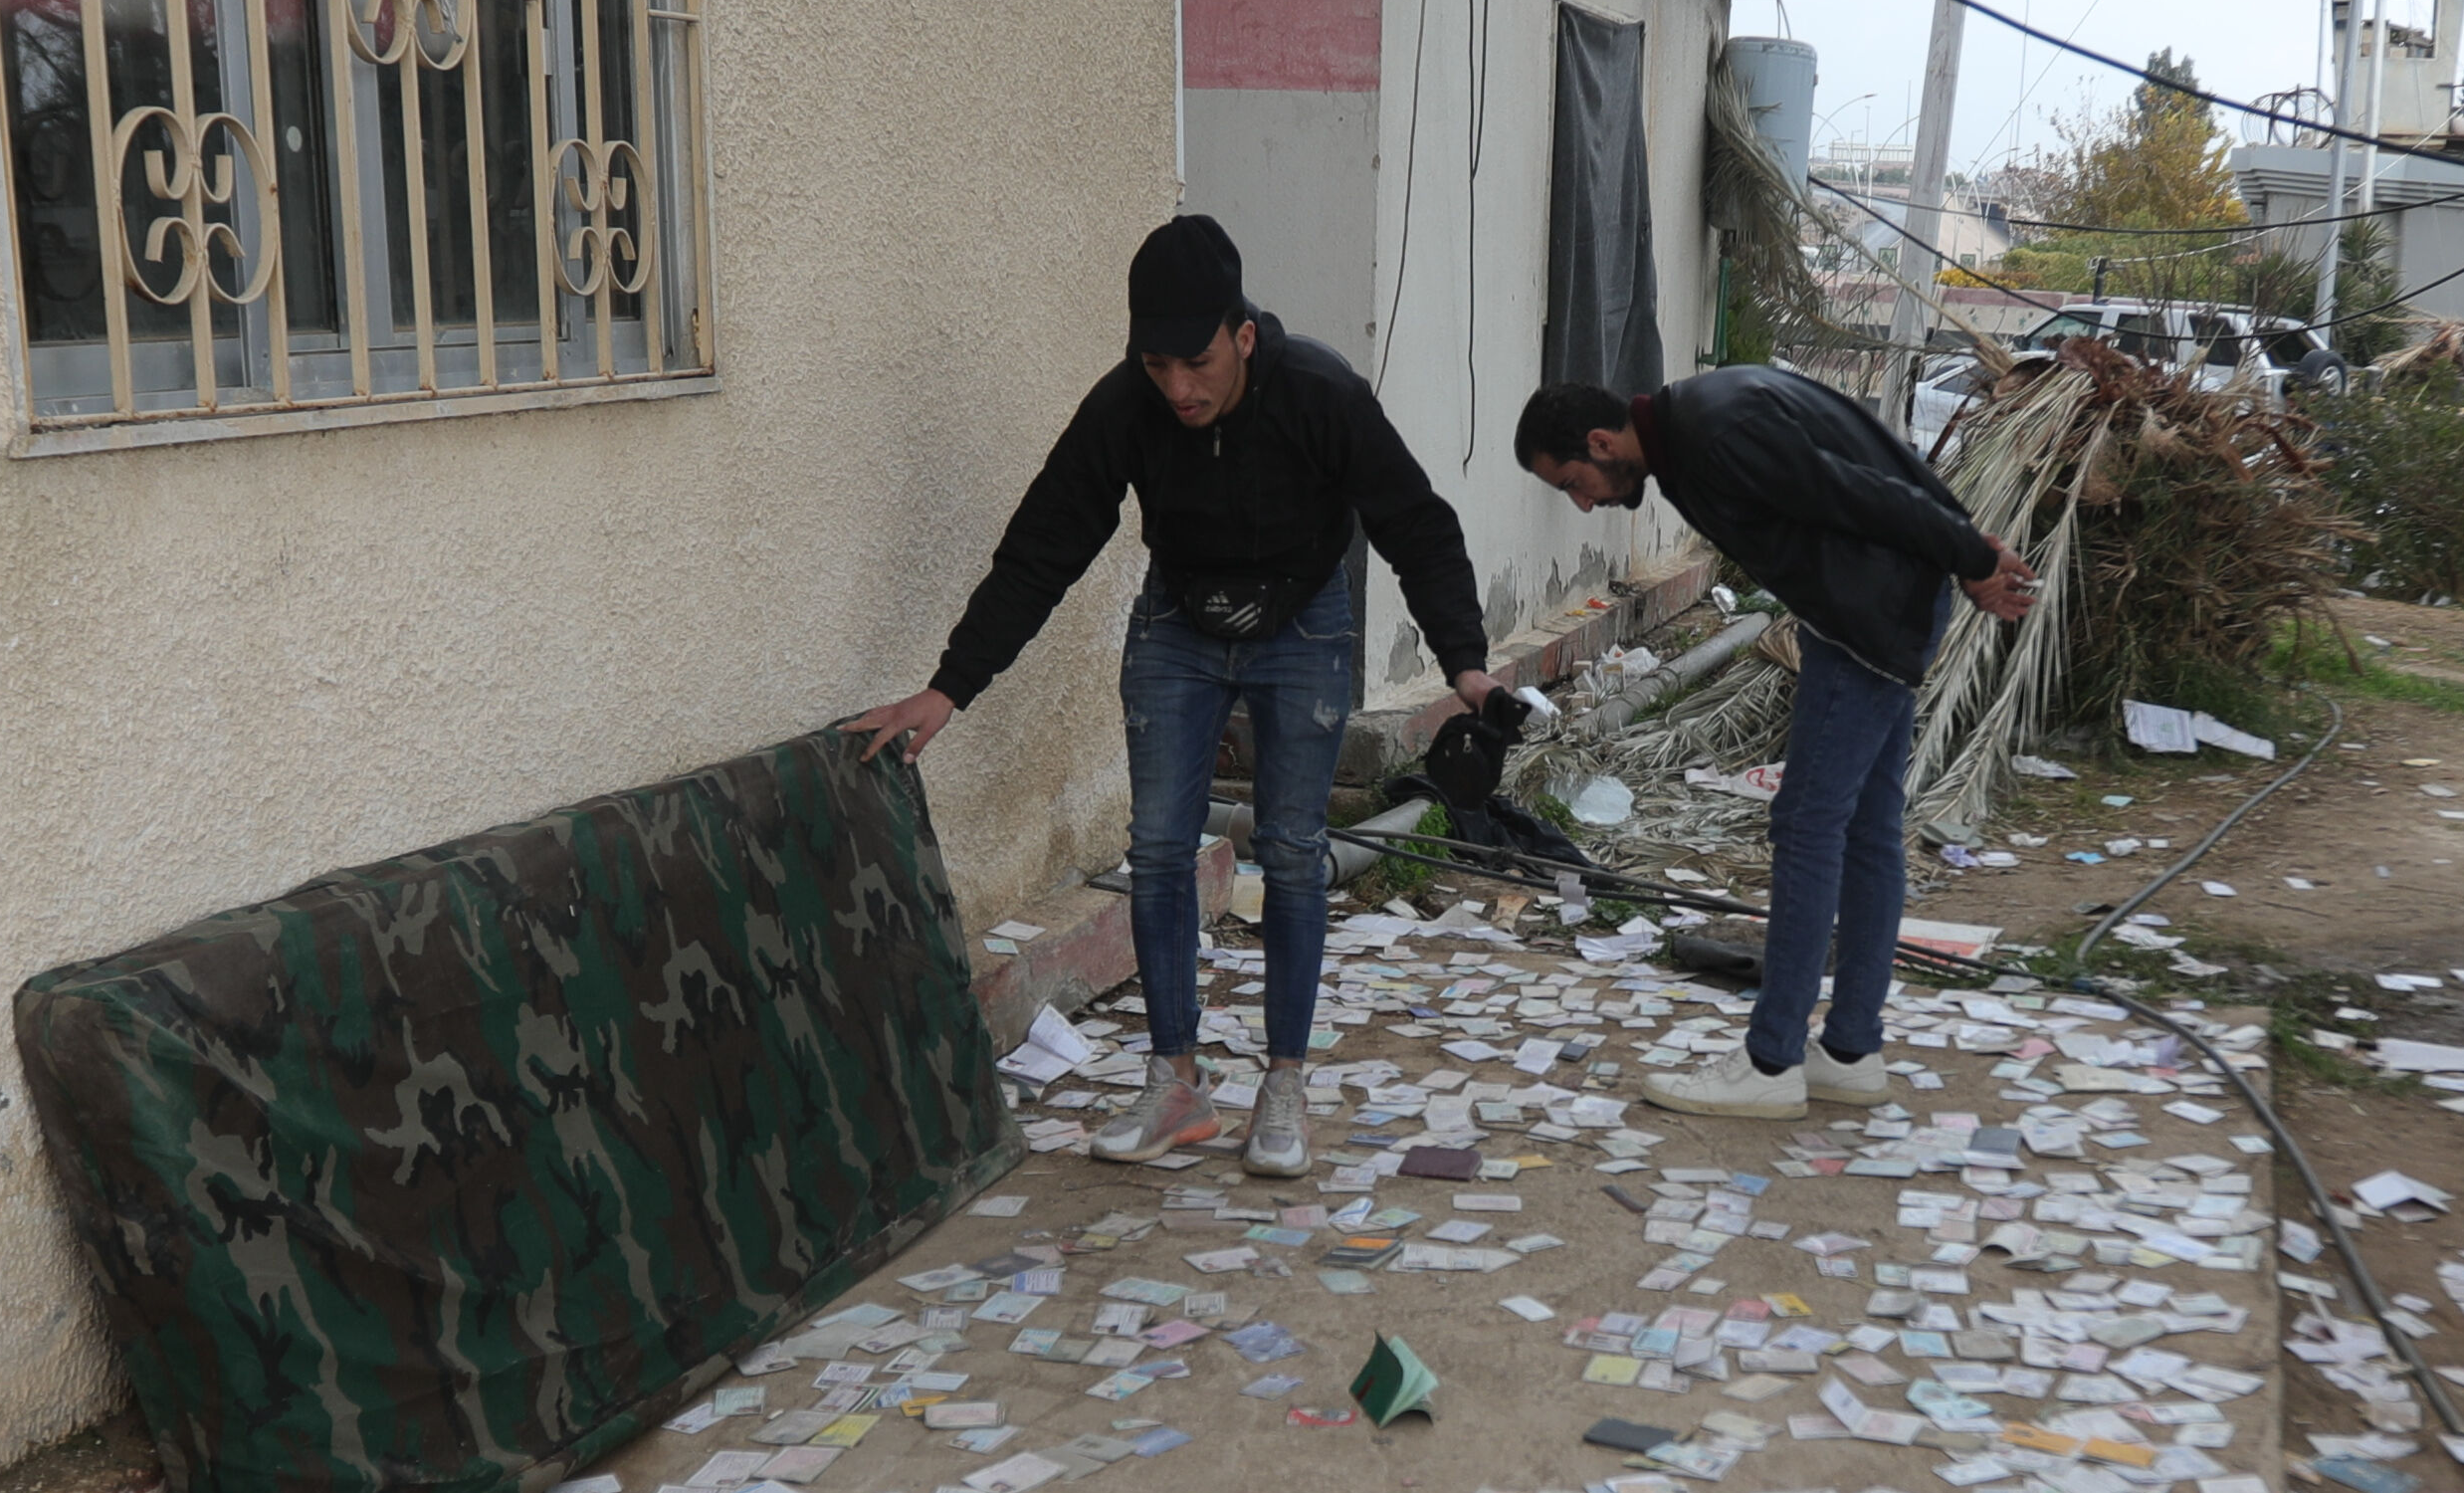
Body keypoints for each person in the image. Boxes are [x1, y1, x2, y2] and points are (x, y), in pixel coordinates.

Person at [853, 214, 1494, 1176]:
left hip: (1303, 624)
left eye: (1196, 363)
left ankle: (1283, 1083)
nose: (1179, 390)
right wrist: (950, 688)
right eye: (1158, 367)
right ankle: (1176, 1082)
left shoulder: (1322, 394)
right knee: (1156, 848)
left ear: (1241, 335)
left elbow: (1417, 525)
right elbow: (1044, 545)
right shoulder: (1126, 405)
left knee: (1291, 849)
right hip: (1179, 625)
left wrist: (1468, 666)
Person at [1517, 365, 2036, 1118]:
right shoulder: (1703, 416)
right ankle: (1851, 1050)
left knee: (1808, 828)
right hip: (1880, 612)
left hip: (1864, 624)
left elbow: (1863, 490)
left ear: (1601, 441)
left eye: (1574, 481)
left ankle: (1771, 1061)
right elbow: (1876, 457)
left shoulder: (1713, 431)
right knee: (1866, 832)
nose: (1584, 501)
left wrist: (1973, 558)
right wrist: (1960, 541)